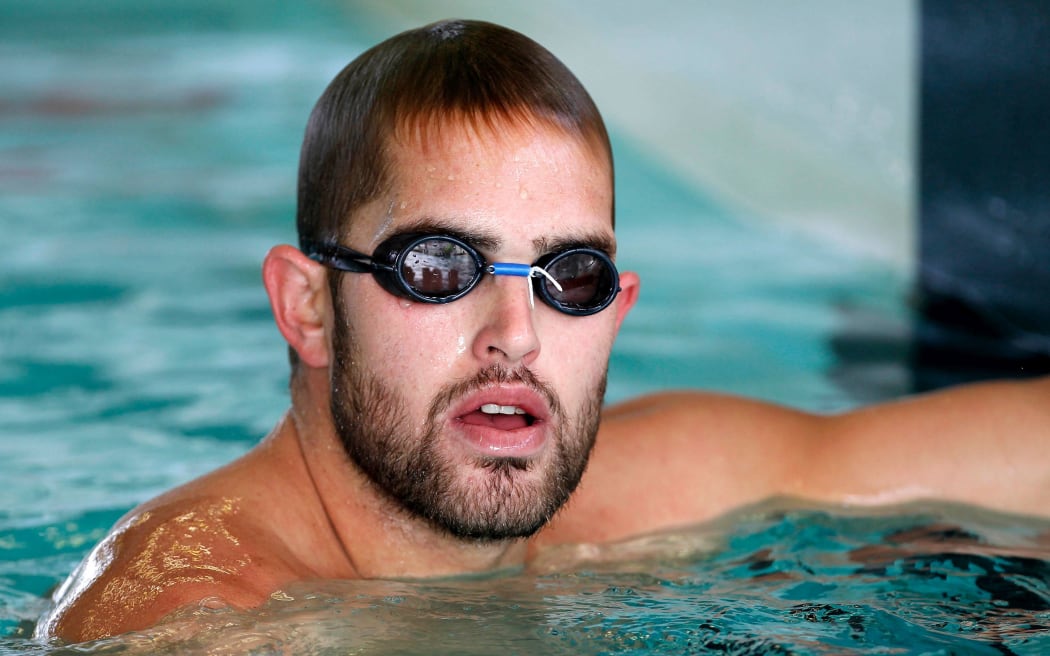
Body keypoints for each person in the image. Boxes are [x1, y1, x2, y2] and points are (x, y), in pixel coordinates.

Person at [38, 19, 1050, 644]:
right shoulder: (195, 620)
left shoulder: (645, 495)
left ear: (618, 311)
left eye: (572, 275)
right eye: (440, 267)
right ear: (308, 305)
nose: (516, 334)